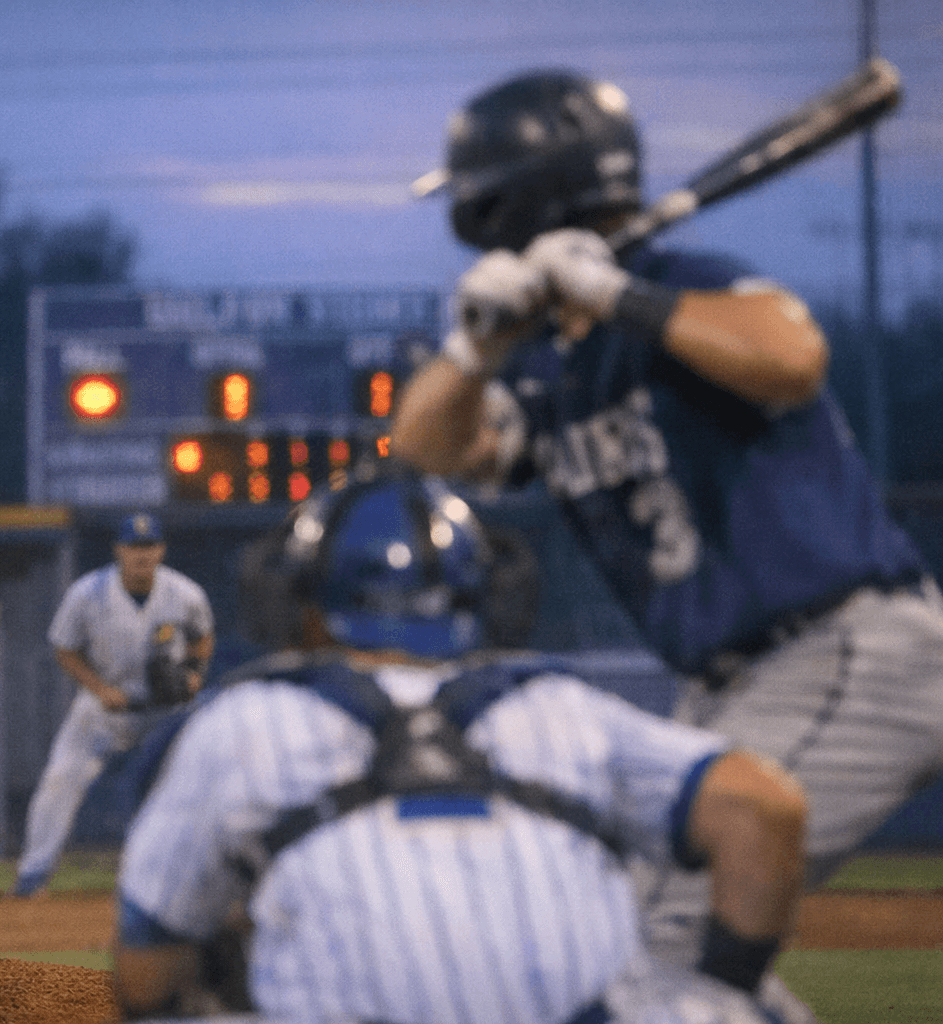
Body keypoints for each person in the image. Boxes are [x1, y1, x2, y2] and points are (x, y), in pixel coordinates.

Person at [388, 68, 943, 1015]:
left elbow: (792, 358)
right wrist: (474, 350)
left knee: (637, 933)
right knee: (605, 916)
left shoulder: (685, 289)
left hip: (844, 650)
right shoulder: (559, 366)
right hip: (738, 682)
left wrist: (613, 291)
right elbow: (425, 446)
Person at [113, 464, 809, 1024]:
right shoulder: (562, 707)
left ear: (304, 601)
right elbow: (765, 810)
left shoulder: (247, 720)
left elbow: (144, 975)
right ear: (481, 594)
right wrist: (728, 983)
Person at [12, 511, 215, 899]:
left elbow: (202, 637)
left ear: (161, 550)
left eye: (149, 546)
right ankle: (33, 875)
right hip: (104, 710)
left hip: (162, 711)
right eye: (134, 547)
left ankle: (184, 881)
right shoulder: (88, 593)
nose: (142, 555)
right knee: (60, 779)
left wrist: (193, 673)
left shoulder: (184, 594)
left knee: (186, 788)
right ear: (119, 550)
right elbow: (64, 648)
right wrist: (99, 688)